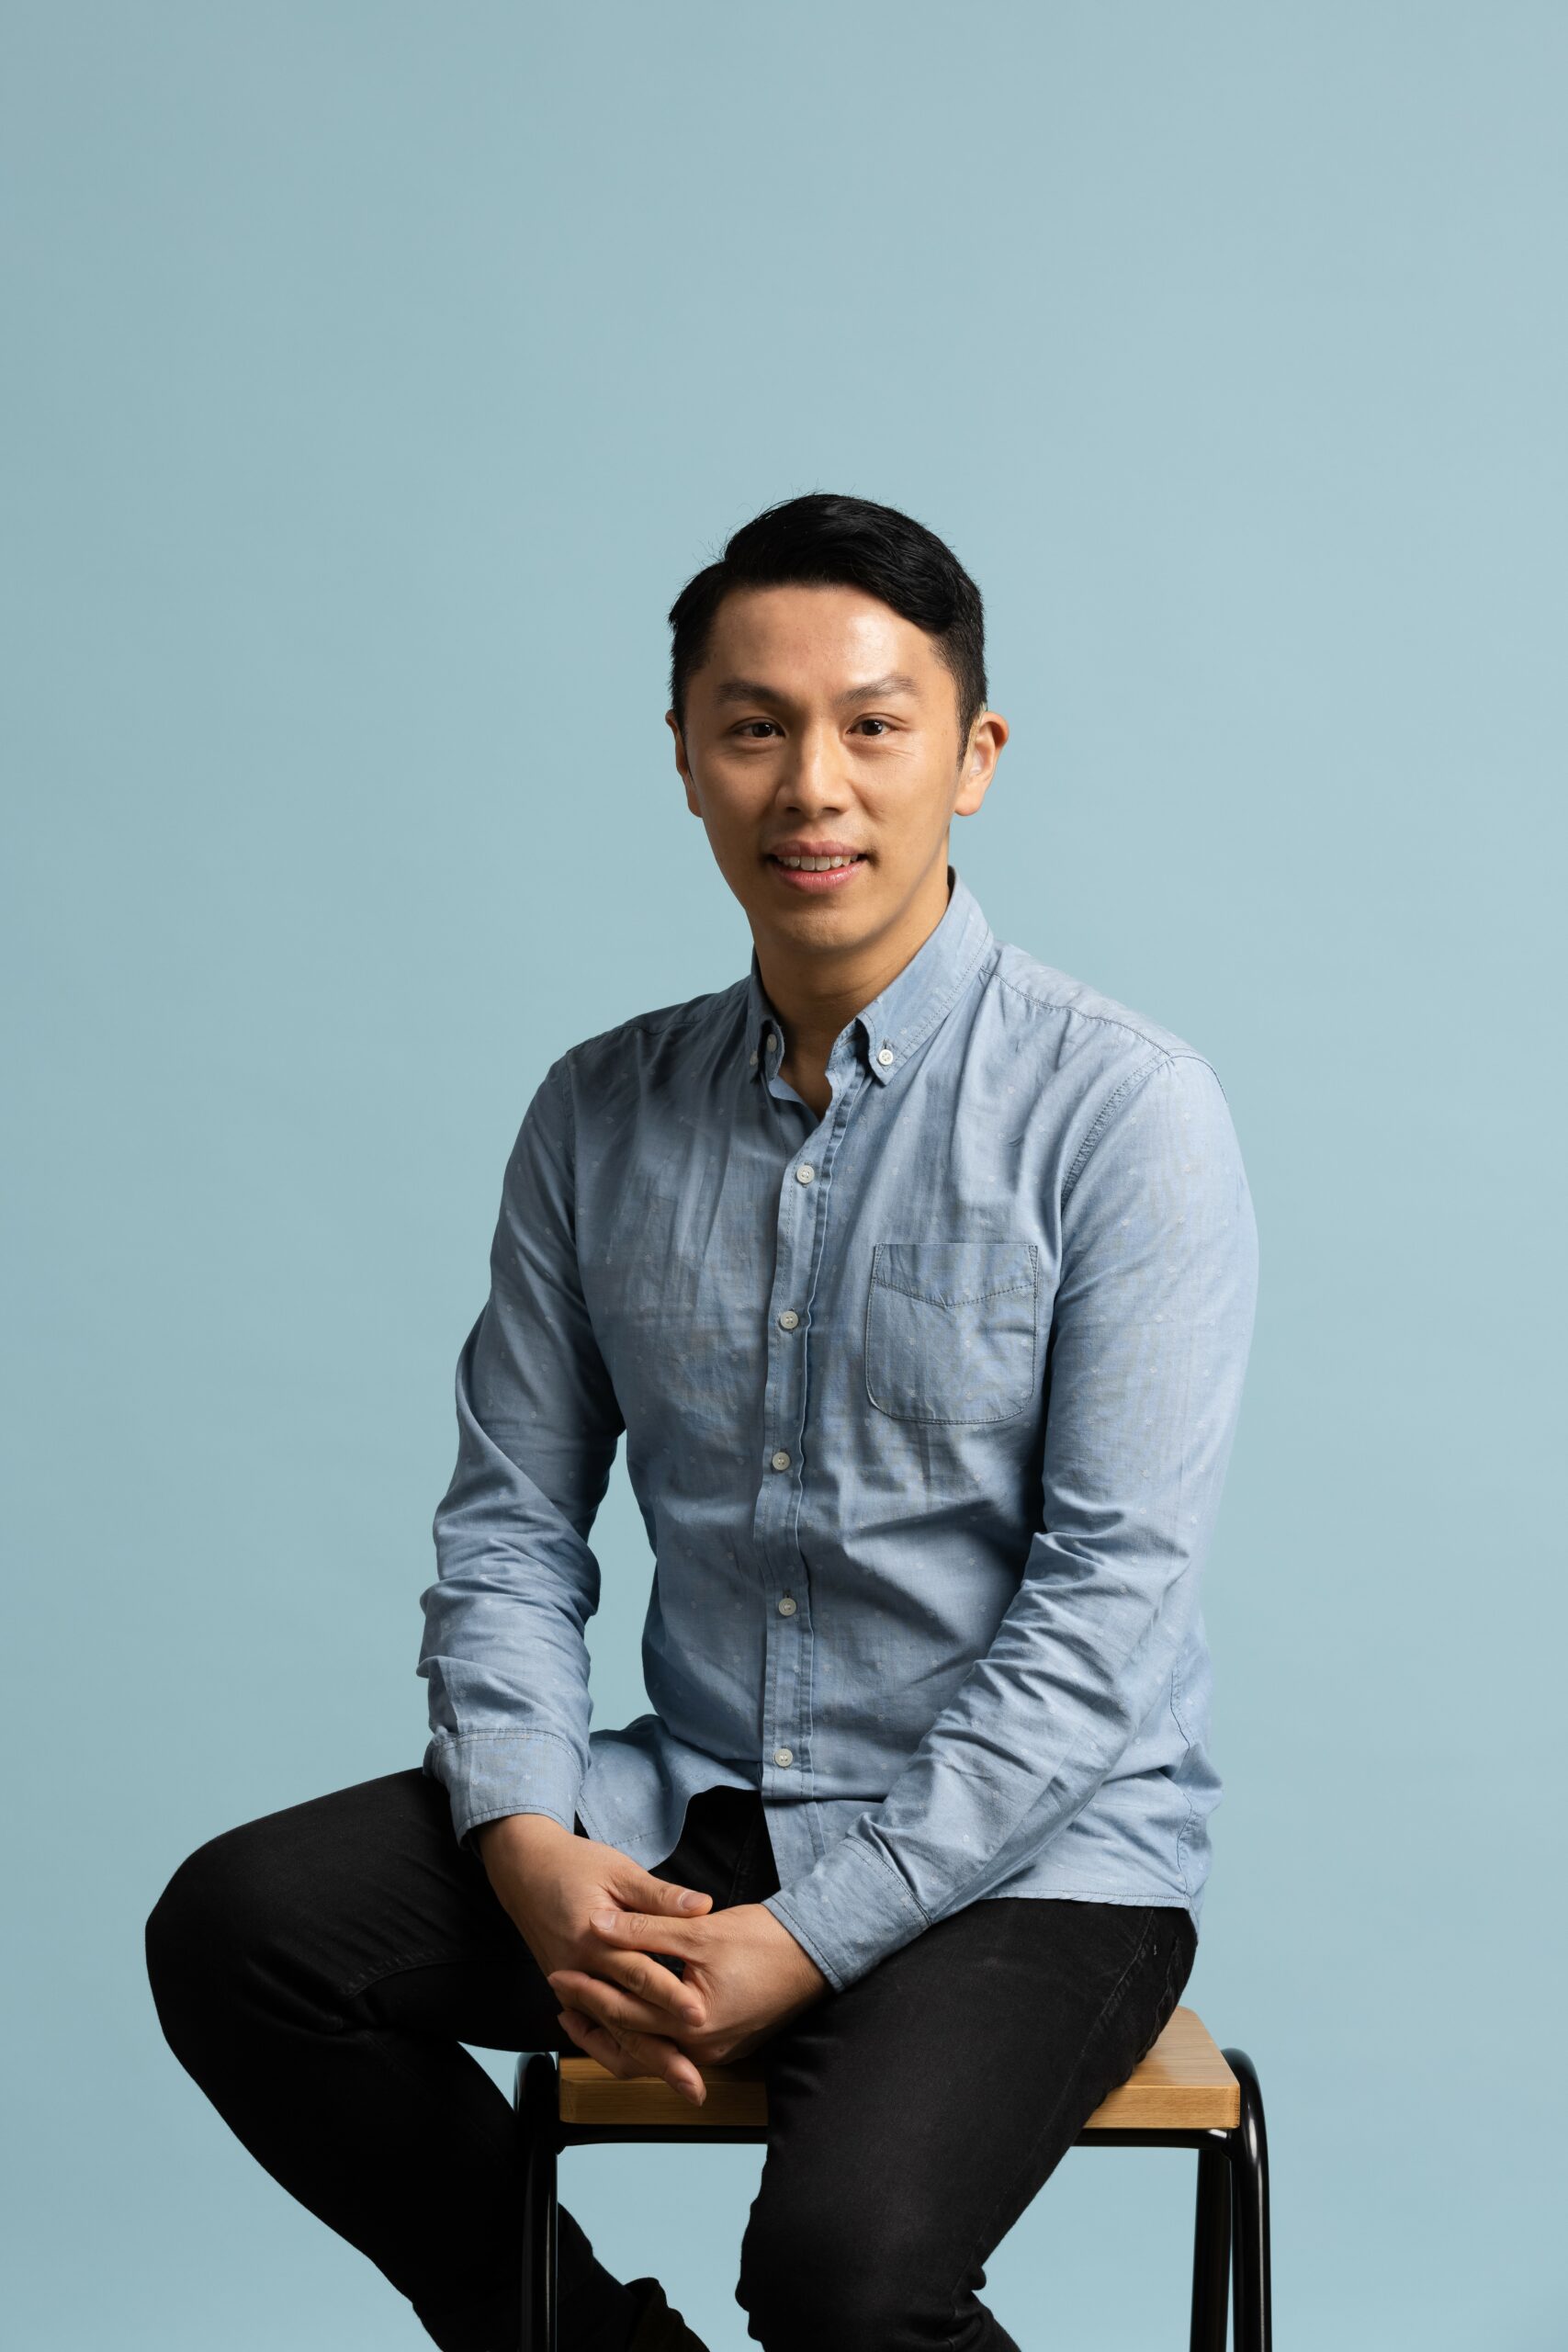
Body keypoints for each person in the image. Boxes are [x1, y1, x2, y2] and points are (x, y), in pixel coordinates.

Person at [145, 490, 1259, 2352]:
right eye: (751, 725)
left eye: (872, 723)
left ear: (970, 757)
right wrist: (521, 1829)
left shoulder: (1124, 1110)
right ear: (681, 757)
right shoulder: (595, 1111)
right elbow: (509, 1520)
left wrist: (806, 1936)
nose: (808, 783)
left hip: (1033, 1853)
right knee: (242, 1931)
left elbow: (1106, 1607)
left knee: (840, 2275)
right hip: (693, 1793)